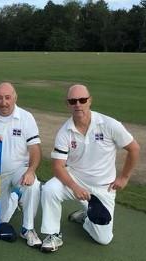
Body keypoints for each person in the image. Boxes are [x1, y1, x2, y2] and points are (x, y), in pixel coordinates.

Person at [40, 84, 140, 252]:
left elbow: (134, 148)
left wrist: (124, 177)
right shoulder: (65, 131)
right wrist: (74, 186)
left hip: (103, 187)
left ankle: (87, 216)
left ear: (89, 101)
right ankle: (53, 235)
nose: (78, 104)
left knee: (103, 239)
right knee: (49, 189)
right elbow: (58, 167)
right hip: (75, 180)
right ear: (68, 104)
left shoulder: (108, 124)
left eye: (82, 100)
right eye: (73, 101)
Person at [0, 82, 42, 247]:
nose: (3, 102)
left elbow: (35, 149)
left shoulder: (26, 117)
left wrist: (31, 171)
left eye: (7, 98)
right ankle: (15, 197)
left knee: (33, 184)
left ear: (15, 98)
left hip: (19, 169)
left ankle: (28, 229)